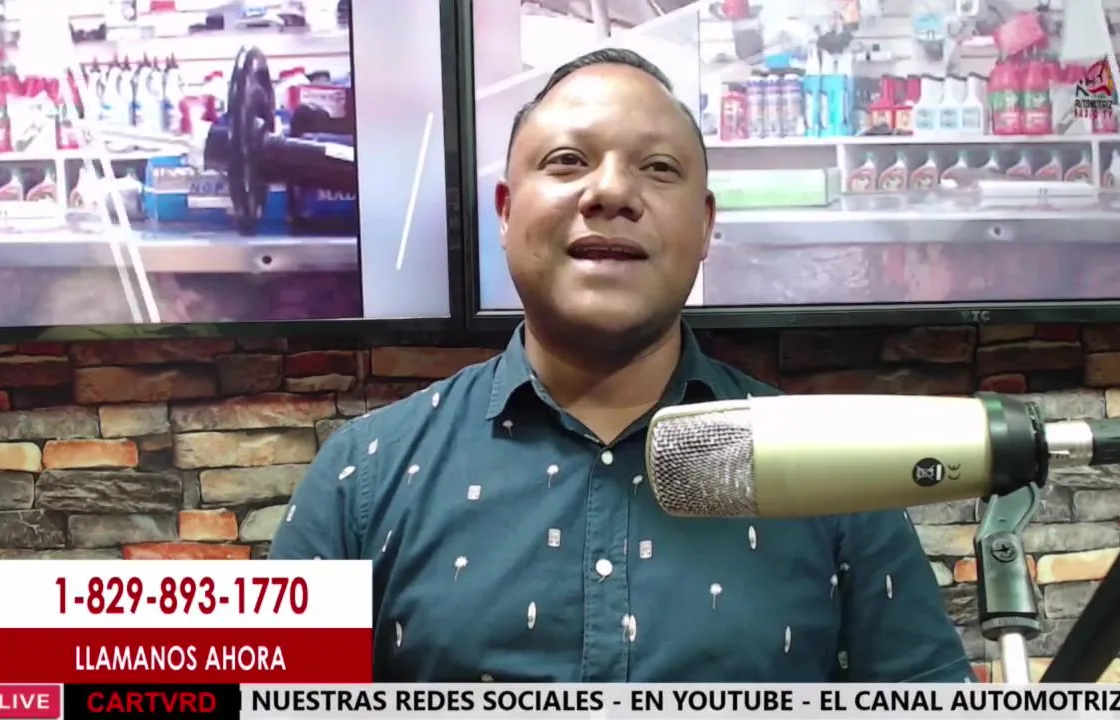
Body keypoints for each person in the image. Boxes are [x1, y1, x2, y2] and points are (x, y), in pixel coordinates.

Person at [271, 48, 973, 683]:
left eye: (658, 168)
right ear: (506, 213)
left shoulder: (838, 476)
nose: (610, 192)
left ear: (706, 224)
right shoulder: (361, 477)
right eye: (567, 161)